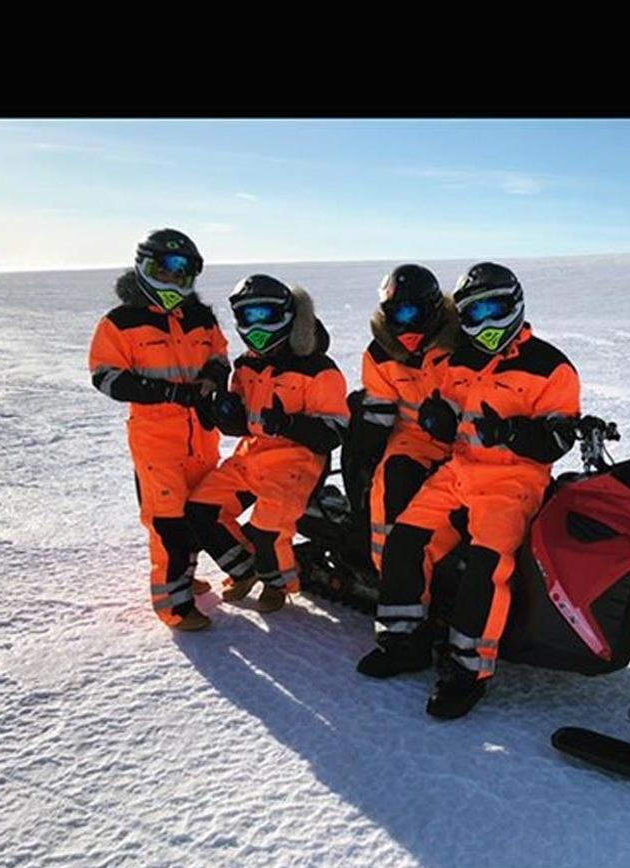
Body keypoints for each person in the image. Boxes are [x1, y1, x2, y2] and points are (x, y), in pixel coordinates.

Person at [357, 263, 581, 718]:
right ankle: (404, 640)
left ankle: (467, 670)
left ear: (515, 304)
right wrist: (437, 420)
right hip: (458, 471)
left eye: (494, 308)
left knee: (488, 565)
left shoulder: (550, 366)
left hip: (513, 482)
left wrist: (513, 433)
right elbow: (441, 414)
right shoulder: (457, 360)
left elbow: (559, 439)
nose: (485, 322)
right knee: (404, 538)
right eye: (473, 312)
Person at [88, 228, 229, 631]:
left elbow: (220, 353)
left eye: (181, 271)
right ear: (144, 267)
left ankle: (184, 577)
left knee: (194, 513)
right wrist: (165, 391)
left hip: (201, 436)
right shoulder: (120, 322)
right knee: (166, 520)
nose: (171, 280)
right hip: (157, 442)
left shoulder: (200, 317)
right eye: (162, 270)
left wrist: (213, 376)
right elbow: (106, 376)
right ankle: (174, 606)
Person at [185, 274, 349, 612]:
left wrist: (289, 424)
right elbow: (240, 420)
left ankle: (278, 582)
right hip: (252, 456)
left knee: (267, 532)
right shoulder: (247, 364)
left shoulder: (318, 369)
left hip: (297, 464)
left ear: (288, 316)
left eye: (265, 314)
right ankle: (245, 570)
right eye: (248, 316)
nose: (256, 325)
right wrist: (221, 411)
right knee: (201, 511)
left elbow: (333, 432)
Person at [344, 264, 459, 573]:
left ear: (434, 311)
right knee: (391, 480)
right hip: (411, 439)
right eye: (397, 315)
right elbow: (379, 410)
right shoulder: (380, 353)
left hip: (466, 439)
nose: (406, 327)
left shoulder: (461, 345)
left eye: (414, 314)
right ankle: (393, 574)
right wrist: (364, 457)